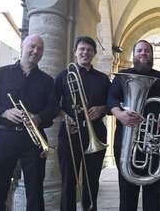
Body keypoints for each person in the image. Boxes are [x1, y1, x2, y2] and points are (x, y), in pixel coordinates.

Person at [107, 40, 160, 211]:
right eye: (139, 50)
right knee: (126, 193)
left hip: (154, 140)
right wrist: (119, 114)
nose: (143, 53)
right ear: (134, 54)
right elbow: (111, 98)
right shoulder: (122, 76)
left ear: (152, 55)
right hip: (126, 139)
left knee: (153, 193)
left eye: (147, 51)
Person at [0, 34, 58, 211]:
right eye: (32, 46)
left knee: (35, 190)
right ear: (22, 46)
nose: (35, 51)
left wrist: (39, 117)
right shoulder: (1, 74)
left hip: (33, 140)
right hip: (4, 136)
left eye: (40, 49)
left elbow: (52, 109)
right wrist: (4, 112)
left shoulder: (47, 81)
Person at [54, 36, 111, 211]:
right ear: (75, 52)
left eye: (89, 50)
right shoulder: (64, 75)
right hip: (70, 132)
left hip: (96, 131)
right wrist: (65, 116)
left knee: (92, 180)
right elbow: (52, 104)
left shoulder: (102, 79)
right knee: (68, 180)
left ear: (94, 53)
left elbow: (113, 104)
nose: (85, 52)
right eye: (82, 49)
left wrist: (101, 109)